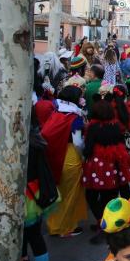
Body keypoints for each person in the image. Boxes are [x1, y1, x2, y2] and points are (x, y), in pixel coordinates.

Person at [83, 98, 130, 244]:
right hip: (114, 165)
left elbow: (88, 148)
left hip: (98, 165)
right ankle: (108, 222)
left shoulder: (93, 127)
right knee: (109, 196)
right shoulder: (116, 126)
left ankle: (102, 223)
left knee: (91, 195)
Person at [41, 86, 87, 237]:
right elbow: (78, 142)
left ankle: (54, 225)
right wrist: (83, 157)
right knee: (69, 194)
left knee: (58, 194)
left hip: (54, 157)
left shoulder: (55, 112)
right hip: (71, 158)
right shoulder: (75, 118)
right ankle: (66, 227)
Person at [21, 114, 57, 261]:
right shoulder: (34, 136)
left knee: (32, 234)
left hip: (25, 196)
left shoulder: (22, 141)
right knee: (31, 234)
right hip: (35, 193)